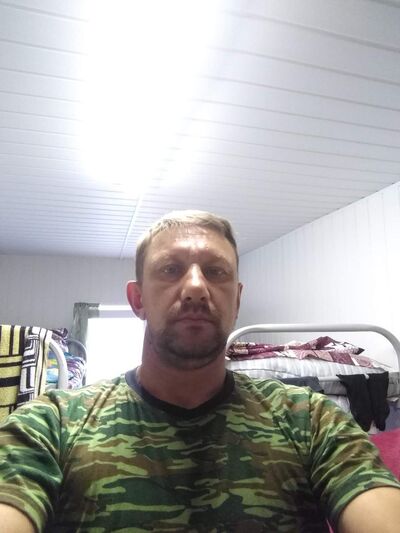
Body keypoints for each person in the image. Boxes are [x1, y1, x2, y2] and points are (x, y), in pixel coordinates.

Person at [0, 210, 399, 533]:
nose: (195, 287)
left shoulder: (311, 419)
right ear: (138, 300)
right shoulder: (52, 424)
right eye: (170, 269)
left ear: (236, 300)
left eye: (216, 271)